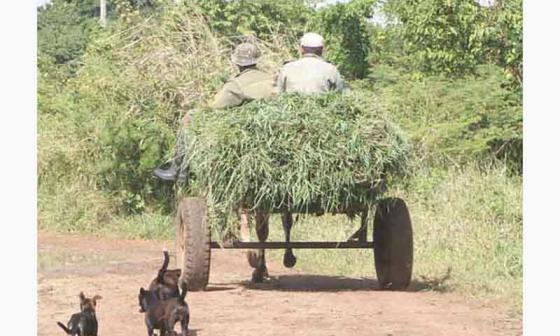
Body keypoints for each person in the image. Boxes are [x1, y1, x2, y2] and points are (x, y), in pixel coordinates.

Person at [153, 42, 274, 182]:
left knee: (190, 116)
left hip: (242, 124)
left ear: (237, 62)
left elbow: (214, 108)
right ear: (256, 59)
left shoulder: (236, 85)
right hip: (264, 121)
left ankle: (178, 169)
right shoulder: (270, 78)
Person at [274, 32, 345, 94]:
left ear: (301, 49)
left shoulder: (287, 68)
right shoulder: (331, 69)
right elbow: (340, 94)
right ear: (322, 50)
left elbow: (279, 93)